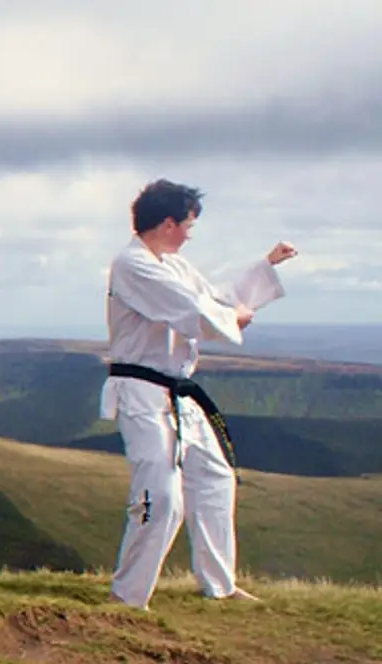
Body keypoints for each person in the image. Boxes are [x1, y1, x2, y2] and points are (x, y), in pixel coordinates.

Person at [100, 178, 294, 610]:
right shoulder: (133, 264)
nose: (190, 233)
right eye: (188, 224)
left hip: (178, 394)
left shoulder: (174, 265)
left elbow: (212, 298)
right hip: (142, 393)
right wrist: (234, 319)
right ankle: (127, 597)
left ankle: (219, 586)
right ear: (168, 222)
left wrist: (264, 267)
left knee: (213, 479)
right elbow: (191, 312)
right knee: (161, 496)